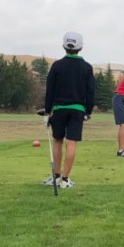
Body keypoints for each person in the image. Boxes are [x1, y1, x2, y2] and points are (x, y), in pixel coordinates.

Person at [42, 31, 96, 189]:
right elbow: (91, 92)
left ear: (63, 46)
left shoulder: (57, 66)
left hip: (59, 109)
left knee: (58, 141)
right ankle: (65, 180)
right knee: (71, 143)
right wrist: (88, 111)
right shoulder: (86, 67)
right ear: (81, 47)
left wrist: (47, 111)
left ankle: (56, 177)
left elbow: (50, 90)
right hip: (77, 110)